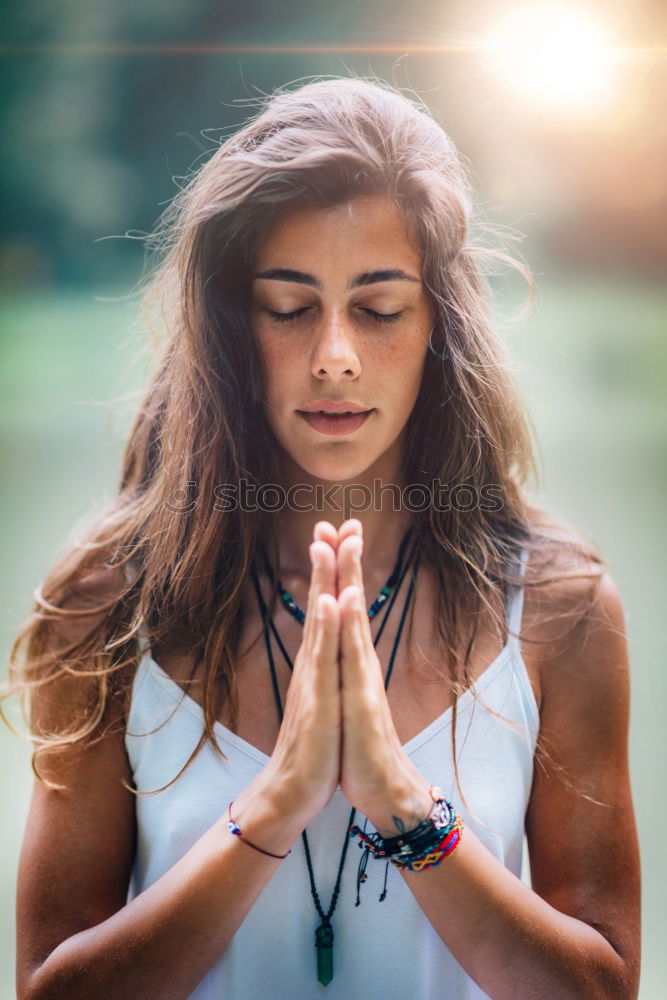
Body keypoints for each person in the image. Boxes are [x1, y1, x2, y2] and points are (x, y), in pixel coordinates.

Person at [4, 76, 640, 1000]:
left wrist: (403, 807)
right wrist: (276, 803)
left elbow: (601, 988)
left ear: (436, 328)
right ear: (230, 326)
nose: (335, 352)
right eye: (289, 306)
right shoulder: (108, 603)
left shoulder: (556, 608)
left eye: (378, 309)